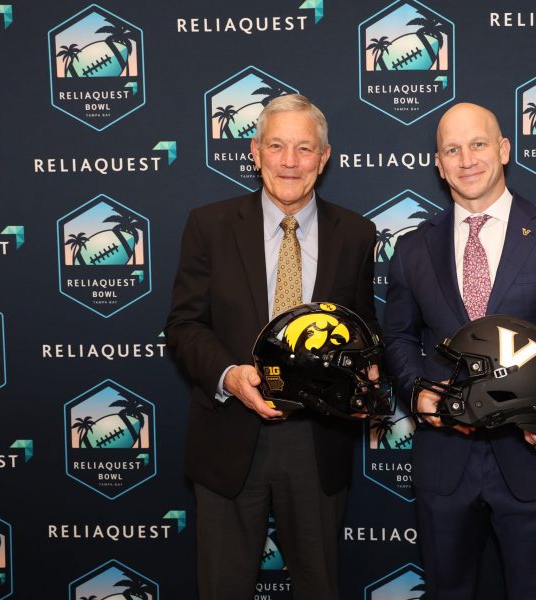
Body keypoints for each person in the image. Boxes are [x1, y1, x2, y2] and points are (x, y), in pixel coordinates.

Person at [383, 102, 536, 600]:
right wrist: (416, 388)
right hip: (444, 461)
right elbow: (397, 337)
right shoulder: (412, 248)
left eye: (478, 144)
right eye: (452, 149)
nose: (467, 159)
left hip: (530, 455)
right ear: (438, 165)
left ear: (504, 149)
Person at [165, 94, 377, 600]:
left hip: (317, 442)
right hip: (229, 438)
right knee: (222, 587)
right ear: (255, 151)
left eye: (305, 149)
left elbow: (364, 327)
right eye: (277, 146)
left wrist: (365, 369)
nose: (289, 161)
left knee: (319, 586)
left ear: (324, 159)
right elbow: (185, 325)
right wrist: (230, 376)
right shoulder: (208, 225)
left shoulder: (355, 233)